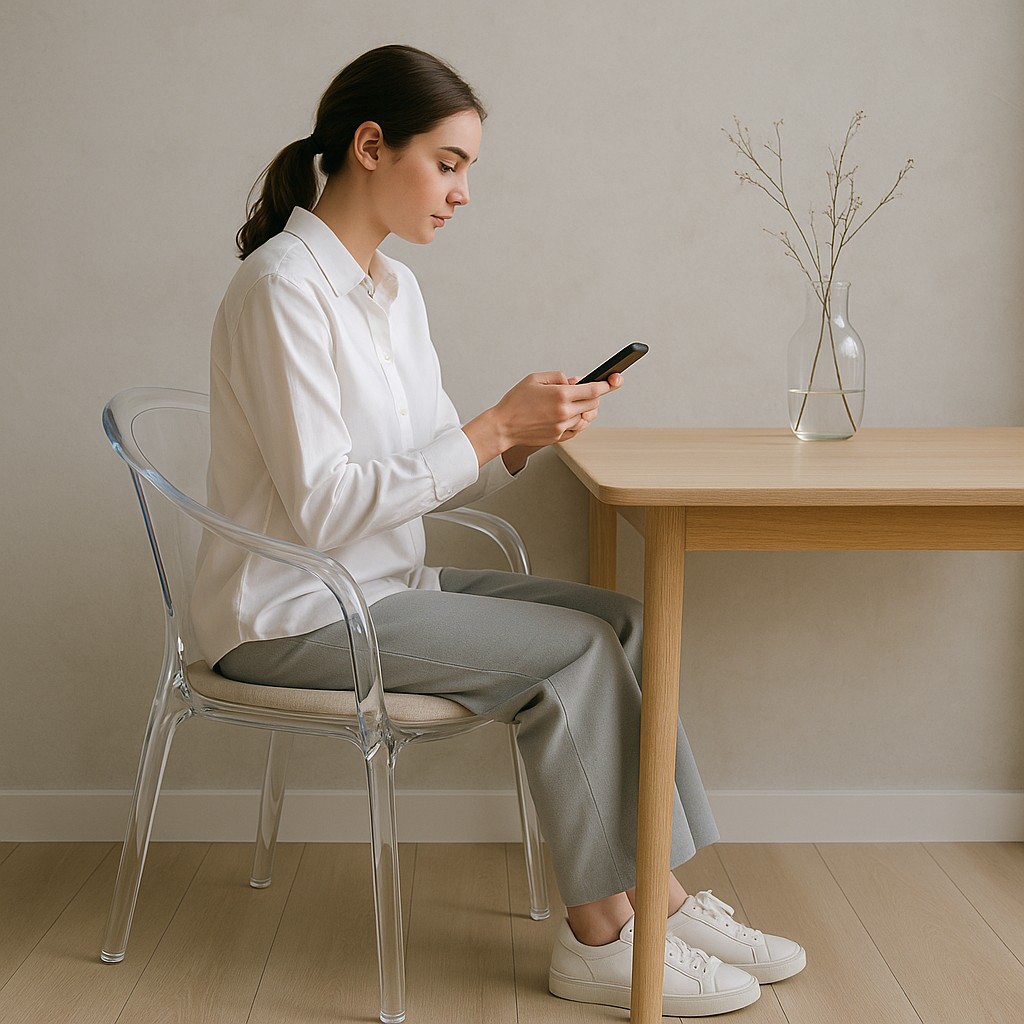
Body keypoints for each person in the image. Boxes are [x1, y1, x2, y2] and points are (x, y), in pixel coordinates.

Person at [193, 44, 805, 1016]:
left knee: (628, 621)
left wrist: (519, 438)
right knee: (573, 652)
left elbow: (423, 461)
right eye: (448, 163)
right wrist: (489, 429)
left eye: (467, 169)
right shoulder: (282, 289)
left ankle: (659, 897)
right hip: (292, 615)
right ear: (368, 147)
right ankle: (602, 936)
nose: (464, 192)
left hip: (385, 590)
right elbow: (324, 505)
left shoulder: (392, 291)